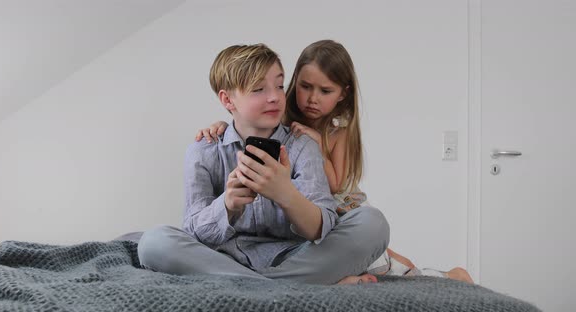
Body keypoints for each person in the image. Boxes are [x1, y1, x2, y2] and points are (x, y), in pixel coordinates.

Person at [195, 40, 473, 283]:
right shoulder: (281, 120)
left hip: (340, 211)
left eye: (325, 91)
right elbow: (245, 119)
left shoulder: (335, 131)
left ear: (343, 93)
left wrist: (314, 146)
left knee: (388, 255)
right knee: (158, 242)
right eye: (304, 87)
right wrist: (223, 124)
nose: (312, 99)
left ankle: (448, 276)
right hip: (303, 232)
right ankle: (311, 278)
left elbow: (336, 183)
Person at [137, 43, 390, 285]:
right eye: (259, 89)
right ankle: (298, 284)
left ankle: (253, 285)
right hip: (225, 258)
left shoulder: (303, 146)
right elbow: (193, 232)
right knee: (154, 242)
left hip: (295, 257)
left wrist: (285, 194)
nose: (274, 98)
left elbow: (320, 228)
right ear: (228, 101)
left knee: (373, 223)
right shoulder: (203, 151)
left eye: (279, 86)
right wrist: (227, 206)